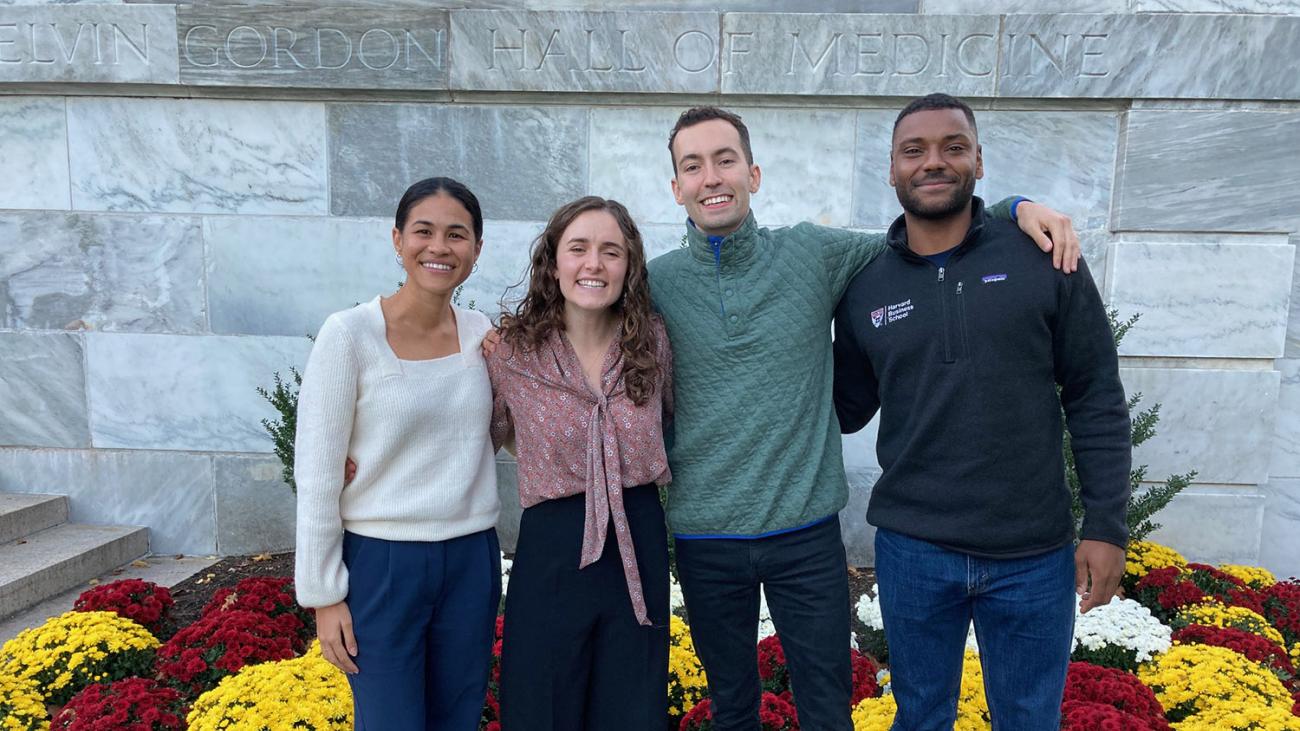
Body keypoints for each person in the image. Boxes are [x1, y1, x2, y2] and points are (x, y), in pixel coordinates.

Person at [646, 105, 1082, 731]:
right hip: (704, 538)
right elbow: (586, 302)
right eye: (693, 166)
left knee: (828, 709)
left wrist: (1014, 207)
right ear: (677, 186)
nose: (711, 177)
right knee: (733, 709)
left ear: (754, 173)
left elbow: (929, 229)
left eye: (725, 160)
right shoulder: (655, 283)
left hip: (805, 537)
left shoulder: (812, 253)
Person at [833, 93, 1130, 730]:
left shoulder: (1045, 258)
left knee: (1028, 720)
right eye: (914, 150)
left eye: (953, 147)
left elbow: (1095, 396)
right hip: (914, 550)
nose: (932, 162)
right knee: (920, 718)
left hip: (1033, 552)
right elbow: (843, 407)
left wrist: (1105, 525)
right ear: (890, 169)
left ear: (979, 161)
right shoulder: (866, 287)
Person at [294, 177, 502, 731]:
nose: (439, 247)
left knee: (459, 718)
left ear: (476, 251)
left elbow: (510, 432)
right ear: (396, 239)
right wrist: (324, 596)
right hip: (382, 563)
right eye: (424, 232)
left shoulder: (484, 337)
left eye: (457, 235)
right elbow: (317, 473)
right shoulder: (349, 335)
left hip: (470, 560)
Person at [485, 196, 673, 730]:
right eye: (578, 248)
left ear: (629, 266)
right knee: (543, 701)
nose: (594, 263)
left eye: (611, 251)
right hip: (553, 543)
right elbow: (481, 435)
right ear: (554, 261)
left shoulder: (653, 341)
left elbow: (676, 422)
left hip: (638, 535)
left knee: (631, 705)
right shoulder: (510, 354)